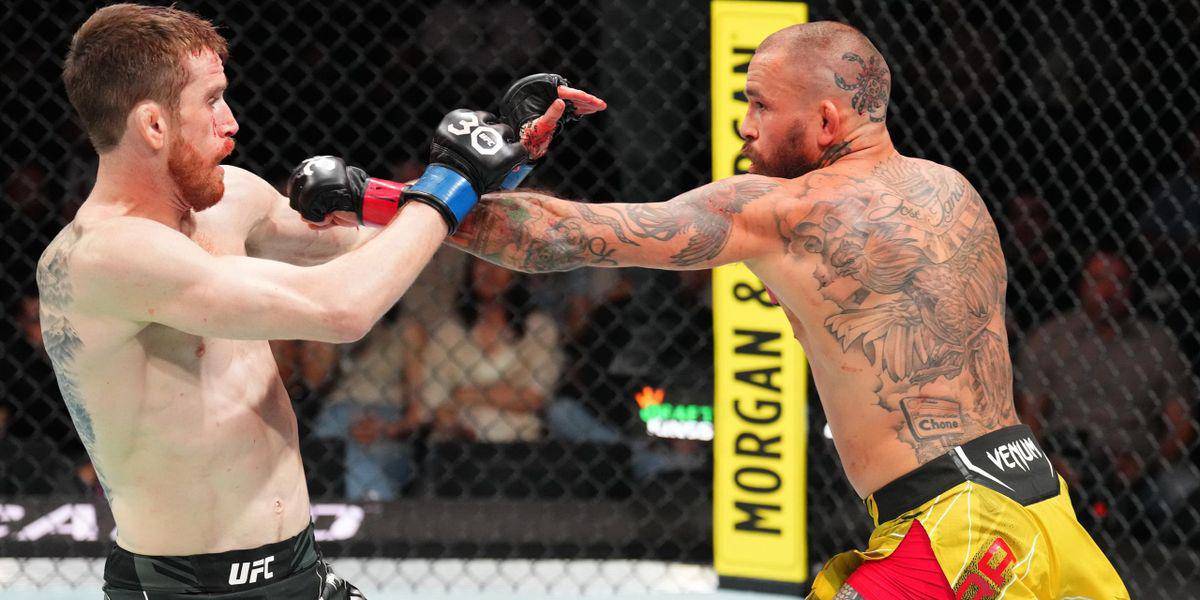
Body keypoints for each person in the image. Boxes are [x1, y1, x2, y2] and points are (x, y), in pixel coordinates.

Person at [448, 22, 1131, 600]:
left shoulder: (789, 211)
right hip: (1040, 503)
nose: (744, 127)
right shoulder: (954, 192)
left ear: (826, 120)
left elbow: (556, 238)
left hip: (956, 531)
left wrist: (444, 186)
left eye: (760, 105)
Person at [41, 4, 527, 598]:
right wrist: (453, 181)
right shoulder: (105, 256)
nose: (231, 122)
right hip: (190, 588)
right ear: (153, 125)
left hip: (301, 568)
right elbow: (340, 308)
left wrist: (503, 160)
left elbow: (386, 243)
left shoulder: (232, 198)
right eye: (212, 100)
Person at [1017, 250, 1197, 533]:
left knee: (1185, 486)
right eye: (1099, 279)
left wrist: (1146, 464)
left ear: (1132, 287)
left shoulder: (1158, 343)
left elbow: (1182, 425)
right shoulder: (1051, 337)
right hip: (1063, 456)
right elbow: (1028, 419)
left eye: (1119, 281)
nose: (1109, 290)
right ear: (1081, 284)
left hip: (1136, 463)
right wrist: (1048, 462)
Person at [421, 259, 562, 443]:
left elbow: (533, 398)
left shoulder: (538, 328)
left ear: (518, 271)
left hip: (518, 438)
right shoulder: (449, 332)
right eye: (482, 262)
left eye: (500, 263)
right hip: (457, 438)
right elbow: (434, 401)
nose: (490, 271)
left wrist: (464, 395)